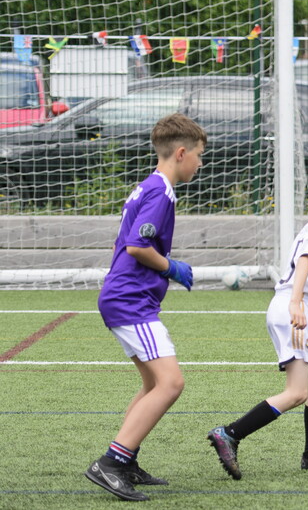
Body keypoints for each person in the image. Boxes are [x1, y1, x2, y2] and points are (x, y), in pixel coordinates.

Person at [207, 162, 308, 479]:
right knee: (297, 392)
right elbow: (307, 261)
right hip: (294, 308)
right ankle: (230, 433)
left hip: (292, 306)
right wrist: (297, 303)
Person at [85, 112, 206, 502]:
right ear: (181, 152)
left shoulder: (147, 187)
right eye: (199, 156)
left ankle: (127, 459)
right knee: (171, 383)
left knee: (153, 384)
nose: (201, 164)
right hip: (129, 300)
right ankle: (111, 462)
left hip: (126, 296)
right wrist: (172, 267)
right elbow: (137, 246)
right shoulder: (161, 192)